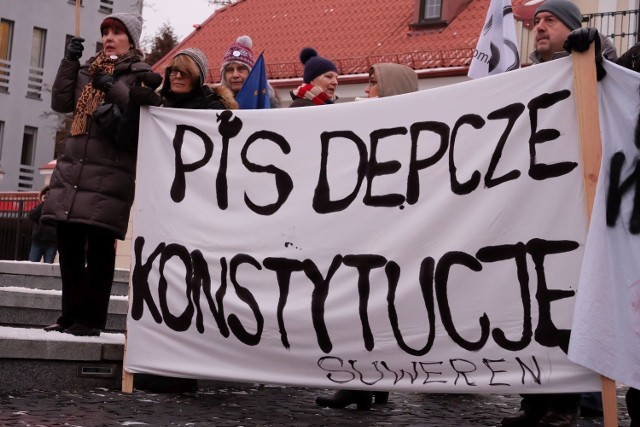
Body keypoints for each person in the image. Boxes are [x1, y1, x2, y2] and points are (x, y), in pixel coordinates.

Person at [501, 1, 618, 426]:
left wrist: (595, 57)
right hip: (536, 210)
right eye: (536, 22)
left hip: (582, 209)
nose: (540, 28)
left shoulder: (593, 64)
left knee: (576, 305)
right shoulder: (525, 80)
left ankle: (573, 405)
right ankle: (536, 401)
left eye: (550, 20)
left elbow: (615, 97)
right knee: (535, 305)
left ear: (572, 28)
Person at [125, 47, 236, 394]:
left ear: (198, 77)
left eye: (183, 72)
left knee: (191, 284)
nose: (175, 76)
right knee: (157, 280)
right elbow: (128, 141)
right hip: (160, 212)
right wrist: (135, 106)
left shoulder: (214, 112)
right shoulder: (157, 107)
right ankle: (155, 363)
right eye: (173, 70)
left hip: (197, 215)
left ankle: (183, 369)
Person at [315, 62, 420, 410]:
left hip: (390, 234)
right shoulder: (366, 120)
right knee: (357, 304)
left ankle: (368, 382)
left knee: (374, 306)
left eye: (375, 84)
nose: (369, 89)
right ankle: (362, 384)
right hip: (365, 230)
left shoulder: (410, 131)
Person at [41, 13, 151, 337]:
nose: (109, 38)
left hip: (109, 175)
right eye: (106, 32)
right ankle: (69, 315)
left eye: (117, 32)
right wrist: (69, 64)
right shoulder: (89, 69)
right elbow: (61, 102)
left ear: (131, 40)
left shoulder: (139, 73)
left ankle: (90, 320)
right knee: (69, 245)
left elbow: (137, 110)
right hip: (74, 170)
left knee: (100, 250)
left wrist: (111, 86)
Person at [220, 35, 280, 107]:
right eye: (230, 70)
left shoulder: (268, 103)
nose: (235, 75)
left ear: (251, 74)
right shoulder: (217, 105)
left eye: (241, 69)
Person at [27, 186, 57, 263]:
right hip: (38, 241)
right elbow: (32, 216)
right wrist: (43, 204)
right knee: (32, 265)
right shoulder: (40, 207)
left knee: (48, 267)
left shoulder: (56, 208)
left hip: (52, 242)